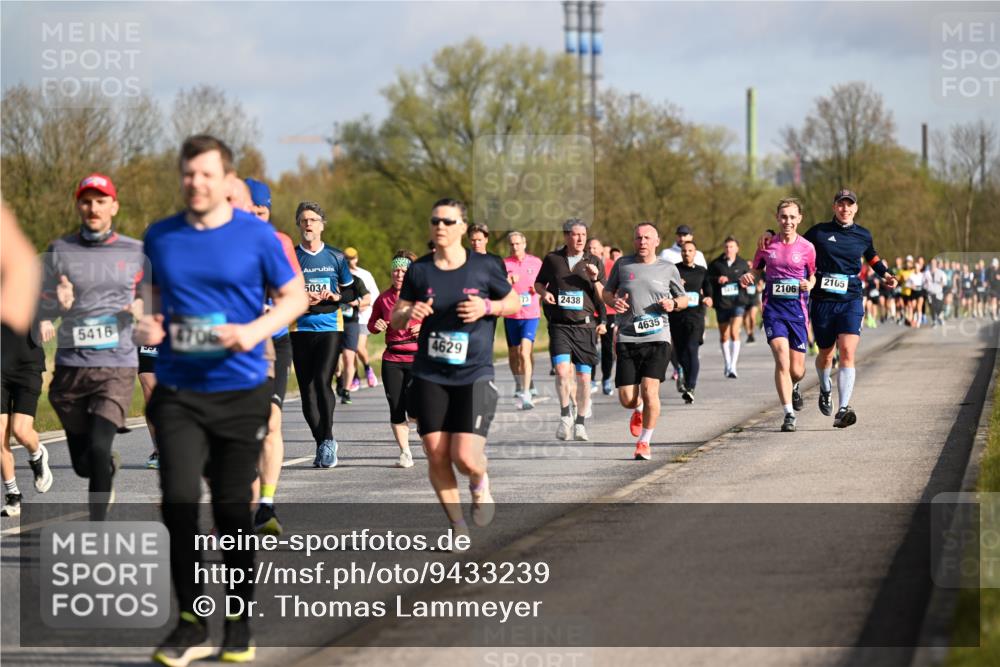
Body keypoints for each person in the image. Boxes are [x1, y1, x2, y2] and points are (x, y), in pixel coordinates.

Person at [138, 135, 306, 665]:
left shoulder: (255, 236)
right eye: (188, 174)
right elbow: (150, 300)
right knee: (179, 501)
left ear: (225, 179)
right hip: (179, 390)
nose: (196, 183)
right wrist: (146, 321)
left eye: (206, 174)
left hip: (240, 387)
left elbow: (294, 297)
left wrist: (255, 331)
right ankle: (190, 621)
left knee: (234, 511)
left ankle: (237, 620)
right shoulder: (160, 236)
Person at [391, 198, 518, 533]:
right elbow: (396, 316)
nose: (440, 227)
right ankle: (457, 525)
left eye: (448, 222)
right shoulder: (420, 269)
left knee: (465, 457)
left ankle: (479, 481)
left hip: (474, 373)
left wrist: (487, 307)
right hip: (430, 372)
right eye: (435, 221)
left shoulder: (485, 266)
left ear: (463, 226)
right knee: (435, 452)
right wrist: (410, 313)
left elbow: (515, 301)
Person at [39, 173, 144, 521]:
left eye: (100, 201)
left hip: (116, 364)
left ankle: (97, 527)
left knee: (100, 447)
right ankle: (103, 469)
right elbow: (41, 303)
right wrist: (57, 303)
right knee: (85, 465)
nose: (93, 208)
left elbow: (153, 297)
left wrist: (143, 308)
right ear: (78, 206)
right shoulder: (60, 249)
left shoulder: (134, 251)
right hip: (71, 367)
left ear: (113, 206)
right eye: (86, 201)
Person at [762, 189, 897, 428]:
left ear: (856, 208)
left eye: (849, 205)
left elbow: (872, 257)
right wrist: (769, 234)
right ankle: (825, 387)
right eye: (841, 205)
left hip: (851, 299)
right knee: (826, 352)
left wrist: (886, 274)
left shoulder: (863, 235)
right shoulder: (819, 232)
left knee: (847, 351)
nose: (845, 209)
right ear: (834, 207)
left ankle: (843, 408)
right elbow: (792, 242)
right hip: (822, 300)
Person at [245, 177, 301, 536]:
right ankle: (247, 504)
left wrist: (275, 309)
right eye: (250, 208)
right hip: (234, 346)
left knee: (272, 421)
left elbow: (296, 295)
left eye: (261, 209)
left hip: (274, 342)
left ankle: (266, 504)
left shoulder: (280, 242)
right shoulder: (221, 242)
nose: (256, 214)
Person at [605, 223, 687, 460]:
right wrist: (613, 301)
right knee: (627, 399)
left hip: (658, 336)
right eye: (638, 238)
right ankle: (637, 409)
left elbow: (683, 298)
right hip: (628, 336)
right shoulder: (622, 265)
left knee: (651, 390)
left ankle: (644, 442)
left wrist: (673, 304)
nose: (642, 241)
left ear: (657, 241)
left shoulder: (668, 268)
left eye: (647, 238)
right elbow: (607, 292)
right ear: (634, 241)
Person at [741, 199, 816, 432]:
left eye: (792, 217)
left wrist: (809, 284)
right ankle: (788, 414)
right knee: (781, 358)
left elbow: (813, 275)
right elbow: (755, 268)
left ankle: (794, 386)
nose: (788, 222)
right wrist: (749, 276)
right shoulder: (767, 245)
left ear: (799, 219)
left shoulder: (807, 248)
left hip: (798, 312)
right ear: (777, 218)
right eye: (784, 217)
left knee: (797, 370)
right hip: (773, 310)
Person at [291, 201, 357, 465]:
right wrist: (299, 295)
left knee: (321, 381)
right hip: (299, 327)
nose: (308, 224)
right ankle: (322, 443)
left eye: (313, 220)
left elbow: (352, 291)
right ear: (298, 225)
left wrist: (335, 295)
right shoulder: (291, 257)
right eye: (304, 220)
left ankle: (328, 438)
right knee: (307, 390)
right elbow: (276, 289)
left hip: (330, 325)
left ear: (322, 224)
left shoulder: (336, 256)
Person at [535, 219, 606, 441]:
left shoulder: (594, 260)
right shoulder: (553, 259)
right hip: (560, 325)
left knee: (584, 379)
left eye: (583, 235)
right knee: (562, 370)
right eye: (575, 235)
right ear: (566, 236)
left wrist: (595, 279)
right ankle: (565, 414)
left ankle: (580, 422)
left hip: (585, 326)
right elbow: (539, 283)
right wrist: (544, 294)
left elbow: (604, 296)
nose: (580, 239)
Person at [368, 250, 419, 468]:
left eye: (403, 271)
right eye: (395, 270)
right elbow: (372, 324)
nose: (399, 274)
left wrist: (424, 328)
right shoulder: (383, 298)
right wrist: (377, 326)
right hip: (392, 358)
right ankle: (405, 452)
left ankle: (425, 434)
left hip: (418, 359)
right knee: (396, 407)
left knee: (417, 409)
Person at [669, 240, 713, 404]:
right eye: (684, 251)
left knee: (692, 349)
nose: (687, 253)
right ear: (681, 253)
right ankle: (684, 377)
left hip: (695, 316)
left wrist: (709, 298)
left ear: (695, 253)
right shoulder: (674, 270)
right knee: (680, 352)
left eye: (690, 251)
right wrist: (675, 285)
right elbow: (664, 289)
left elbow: (708, 290)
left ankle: (691, 387)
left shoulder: (702, 271)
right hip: (677, 315)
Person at [504, 232, 543, 409]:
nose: (515, 247)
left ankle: (526, 393)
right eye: (512, 244)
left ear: (524, 243)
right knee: (514, 353)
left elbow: (545, 285)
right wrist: (507, 281)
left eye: (518, 244)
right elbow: (497, 288)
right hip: (511, 315)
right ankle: (520, 383)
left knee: (524, 352)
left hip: (531, 314)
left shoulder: (536, 262)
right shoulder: (504, 264)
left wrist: (537, 289)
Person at [707, 236, 750, 378]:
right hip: (722, 303)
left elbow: (751, 279)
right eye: (726, 247)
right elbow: (707, 280)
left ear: (737, 248)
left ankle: (733, 366)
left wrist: (746, 283)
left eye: (731, 247)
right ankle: (727, 363)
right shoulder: (716, 264)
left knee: (734, 332)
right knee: (724, 334)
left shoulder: (743, 264)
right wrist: (717, 279)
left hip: (738, 302)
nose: (729, 249)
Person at [333, 249, 370, 405]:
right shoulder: (332, 281)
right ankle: (339, 377)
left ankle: (346, 391)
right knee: (334, 360)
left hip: (351, 324)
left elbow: (368, 298)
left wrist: (358, 303)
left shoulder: (356, 281)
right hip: (333, 324)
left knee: (349, 357)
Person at [345, 247, 380, 390]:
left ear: (357, 259)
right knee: (350, 350)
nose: (350, 261)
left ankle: (367, 368)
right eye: (347, 259)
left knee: (359, 347)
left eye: (352, 258)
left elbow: (375, 294)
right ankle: (355, 378)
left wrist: (365, 305)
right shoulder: (341, 275)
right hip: (347, 317)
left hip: (363, 316)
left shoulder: (365, 275)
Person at [588, 237, 617, 395]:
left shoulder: (612, 266)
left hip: (609, 311)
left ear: (601, 250)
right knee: (590, 346)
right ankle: (591, 379)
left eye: (595, 248)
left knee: (607, 348)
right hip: (590, 311)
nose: (592, 251)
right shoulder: (583, 266)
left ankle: (606, 379)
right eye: (589, 248)